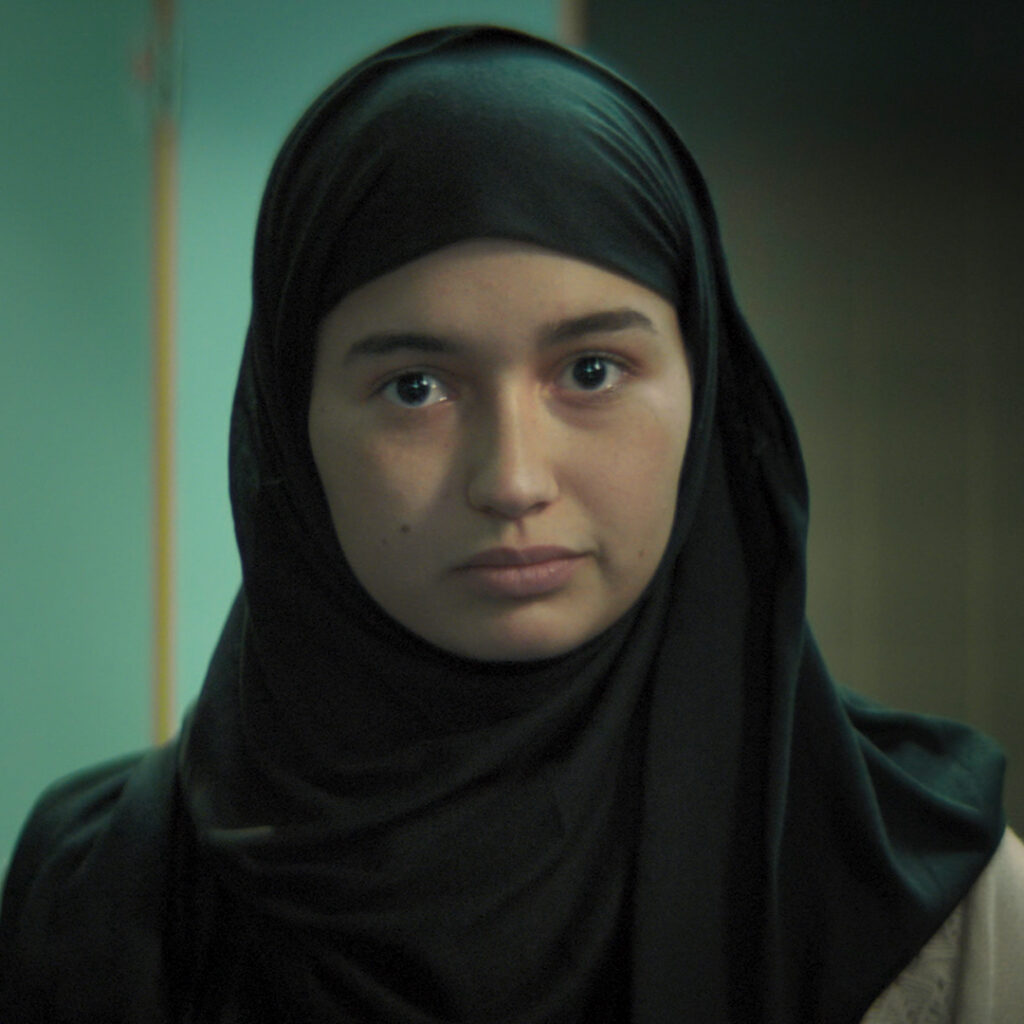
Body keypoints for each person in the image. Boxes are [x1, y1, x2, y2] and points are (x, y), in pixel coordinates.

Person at [1, 24, 1021, 1024]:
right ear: (291, 428)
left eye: (592, 371)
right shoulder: (96, 898)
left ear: (703, 394)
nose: (514, 480)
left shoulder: (946, 926)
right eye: (415, 387)